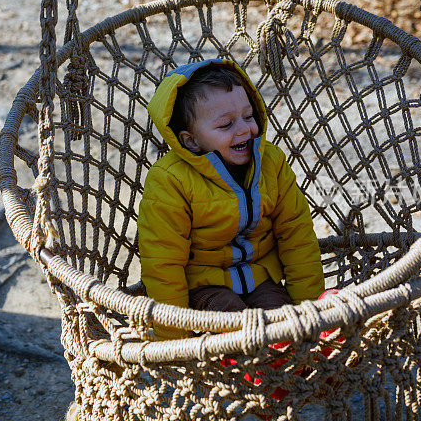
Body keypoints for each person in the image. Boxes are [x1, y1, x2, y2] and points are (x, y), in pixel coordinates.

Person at [138, 58, 325, 339]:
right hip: (204, 285)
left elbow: (297, 235)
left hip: (261, 276)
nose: (243, 130)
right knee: (237, 333)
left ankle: (287, 373)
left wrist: (310, 311)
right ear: (191, 141)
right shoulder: (170, 181)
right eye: (225, 125)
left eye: (248, 117)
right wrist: (173, 342)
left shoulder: (271, 163)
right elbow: (163, 262)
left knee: (283, 331)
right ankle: (242, 378)